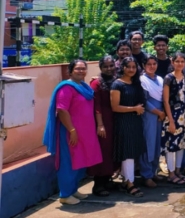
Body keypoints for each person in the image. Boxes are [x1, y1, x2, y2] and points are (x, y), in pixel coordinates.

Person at [43, 59, 102, 205]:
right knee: (68, 162)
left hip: (85, 133)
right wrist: (72, 130)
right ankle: (65, 194)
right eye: (78, 69)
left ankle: (73, 189)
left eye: (83, 68)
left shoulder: (83, 87)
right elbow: (62, 110)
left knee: (81, 161)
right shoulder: (66, 88)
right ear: (70, 71)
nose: (81, 71)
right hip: (70, 132)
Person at [110, 57, 147, 198]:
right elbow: (115, 107)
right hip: (124, 122)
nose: (131, 69)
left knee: (133, 152)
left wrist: (137, 109)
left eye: (133, 67)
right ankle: (130, 184)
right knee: (127, 153)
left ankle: (127, 181)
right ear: (123, 68)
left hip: (136, 121)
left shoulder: (136, 83)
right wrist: (134, 108)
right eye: (128, 66)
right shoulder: (117, 84)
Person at [88, 56, 117, 197]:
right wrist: (100, 125)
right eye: (106, 66)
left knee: (112, 152)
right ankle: (98, 184)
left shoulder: (116, 80)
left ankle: (108, 180)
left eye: (111, 65)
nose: (109, 68)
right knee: (102, 153)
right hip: (103, 121)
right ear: (100, 68)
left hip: (115, 121)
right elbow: (96, 106)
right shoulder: (96, 83)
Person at [162, 52, 185, 185]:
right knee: (170, 145)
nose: (180, 64)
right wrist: (171, 121)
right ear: (172, 62)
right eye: (177, 61)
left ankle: (178, 171)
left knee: (181, 144)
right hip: (172, 116)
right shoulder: (168, 78)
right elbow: (166, 101)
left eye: (182, 61)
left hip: (183, 116)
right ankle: (171, 173)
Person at [140, 55, 166, 188]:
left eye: (154, 64)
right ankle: (146, 175)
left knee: (157, 144)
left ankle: (154, 171)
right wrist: (158, 112)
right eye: (149, 64)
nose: (152, 66)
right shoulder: (142, 80)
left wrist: (163, 113)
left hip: (160, 116)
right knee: (148, 144)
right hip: (149, 115)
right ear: (144, 66)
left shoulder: (160, 79)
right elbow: (144, 100)